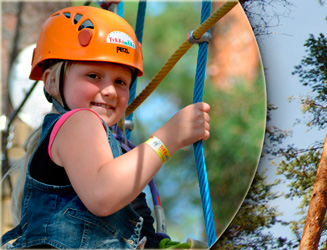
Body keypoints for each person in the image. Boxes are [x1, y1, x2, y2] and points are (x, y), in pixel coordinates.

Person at [1, 6, 210, 249]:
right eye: (93, 75)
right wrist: (168, 138)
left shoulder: (113, 150)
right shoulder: (79, 121)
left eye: (120, 81)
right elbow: (103, 195)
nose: (110, 91)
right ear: (50, 80)